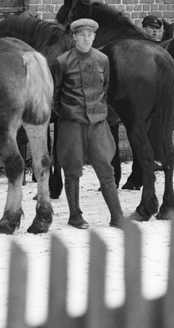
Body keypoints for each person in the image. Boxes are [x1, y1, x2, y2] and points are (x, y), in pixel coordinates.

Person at [52, 18, 125, 228]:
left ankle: (117, 216)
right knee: (72, 169)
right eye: (81, 35)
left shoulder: (103, 59)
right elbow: (55, 96)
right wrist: (69, 113)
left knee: (105, 168)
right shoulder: (62, 62)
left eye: (90, 35)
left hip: (98, 124)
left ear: (94, 36)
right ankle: (75, 215)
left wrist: (97, 111)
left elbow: (105, 89)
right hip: (72, 123)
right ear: (74, 37)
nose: (86, 39)